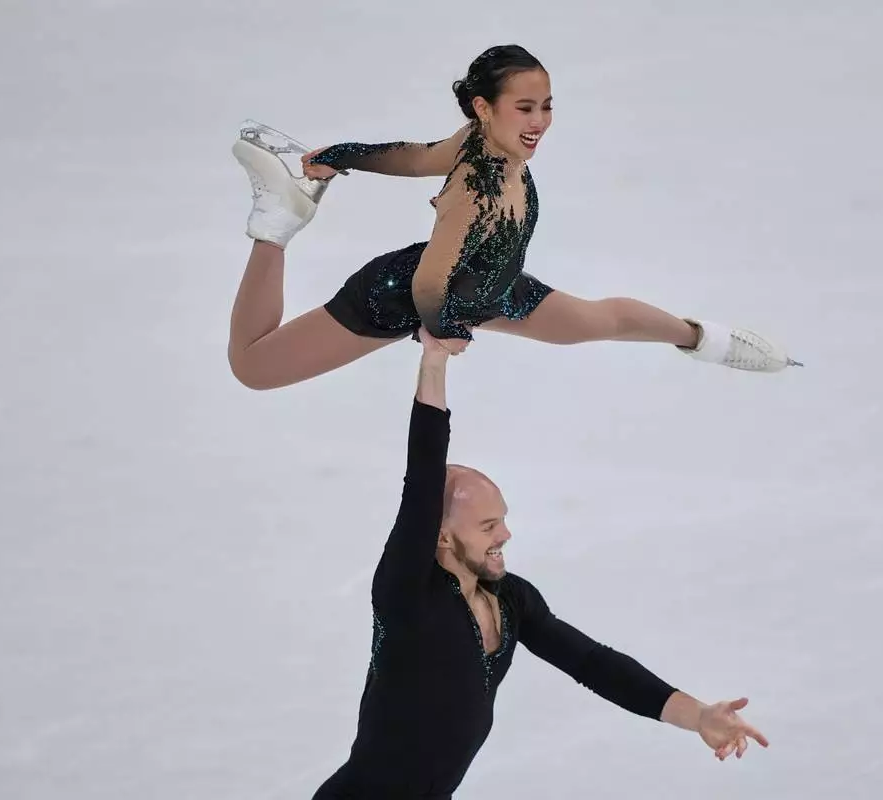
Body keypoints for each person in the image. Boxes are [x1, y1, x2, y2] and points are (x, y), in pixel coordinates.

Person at [311, 328, 769, 799]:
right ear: (442, 536)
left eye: (502, 521)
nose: (504, 535)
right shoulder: (406, 595)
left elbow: (593, 663)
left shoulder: (511, 600)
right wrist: (434, 359)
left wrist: (697, 716)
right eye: (488, 526)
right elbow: (423, 472)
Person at [228, 44, 801, 391]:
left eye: (546, 105)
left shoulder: (478, 140)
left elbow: (417, 156)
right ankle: (276, 222)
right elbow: (430, 280)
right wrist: (443, 331)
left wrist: (342, 154)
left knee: (594, 322)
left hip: (490, 288)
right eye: (525, 108)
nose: (540, 121)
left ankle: (710, 340)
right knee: (254, 366)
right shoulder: (475, 187)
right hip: (404, 295)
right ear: (485, 108)